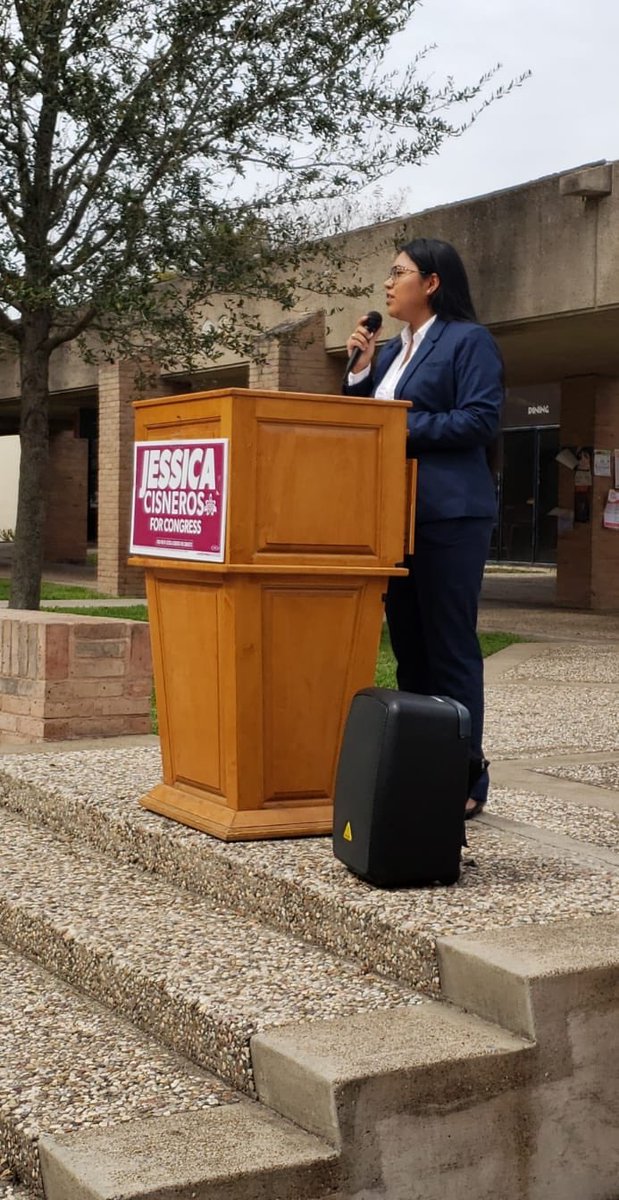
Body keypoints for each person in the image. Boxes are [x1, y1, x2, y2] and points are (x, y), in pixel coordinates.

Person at [343, 237, 504, 818]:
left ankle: (464, 775)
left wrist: (400, 427)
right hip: (396, 516)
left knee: (449, 645)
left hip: (450, 515)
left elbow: (480, 419)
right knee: (409, 646)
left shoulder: (467, 340)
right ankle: (419, 764)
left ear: (432, 282)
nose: (388, 284)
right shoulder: (391, 351)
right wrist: (361, 372)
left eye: (399, 273)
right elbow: (364, 420)